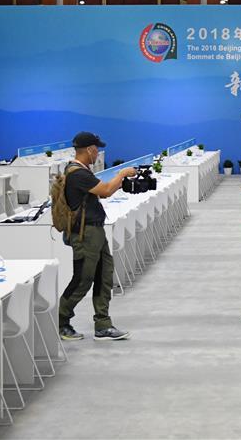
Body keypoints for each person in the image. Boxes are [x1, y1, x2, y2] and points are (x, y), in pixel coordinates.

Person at [58, 131, 138, 342]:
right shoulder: (77, 173)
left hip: (95, 231)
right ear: (89, 149)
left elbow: (102, 192)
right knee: (82, 279)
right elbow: (106, 190)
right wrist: (122, 174)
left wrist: (119, 182)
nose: (98, 153)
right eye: (96, 149)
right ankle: (60, 321)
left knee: (104, 276)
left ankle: (103, 325)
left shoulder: (81, 171)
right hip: (85, 234)